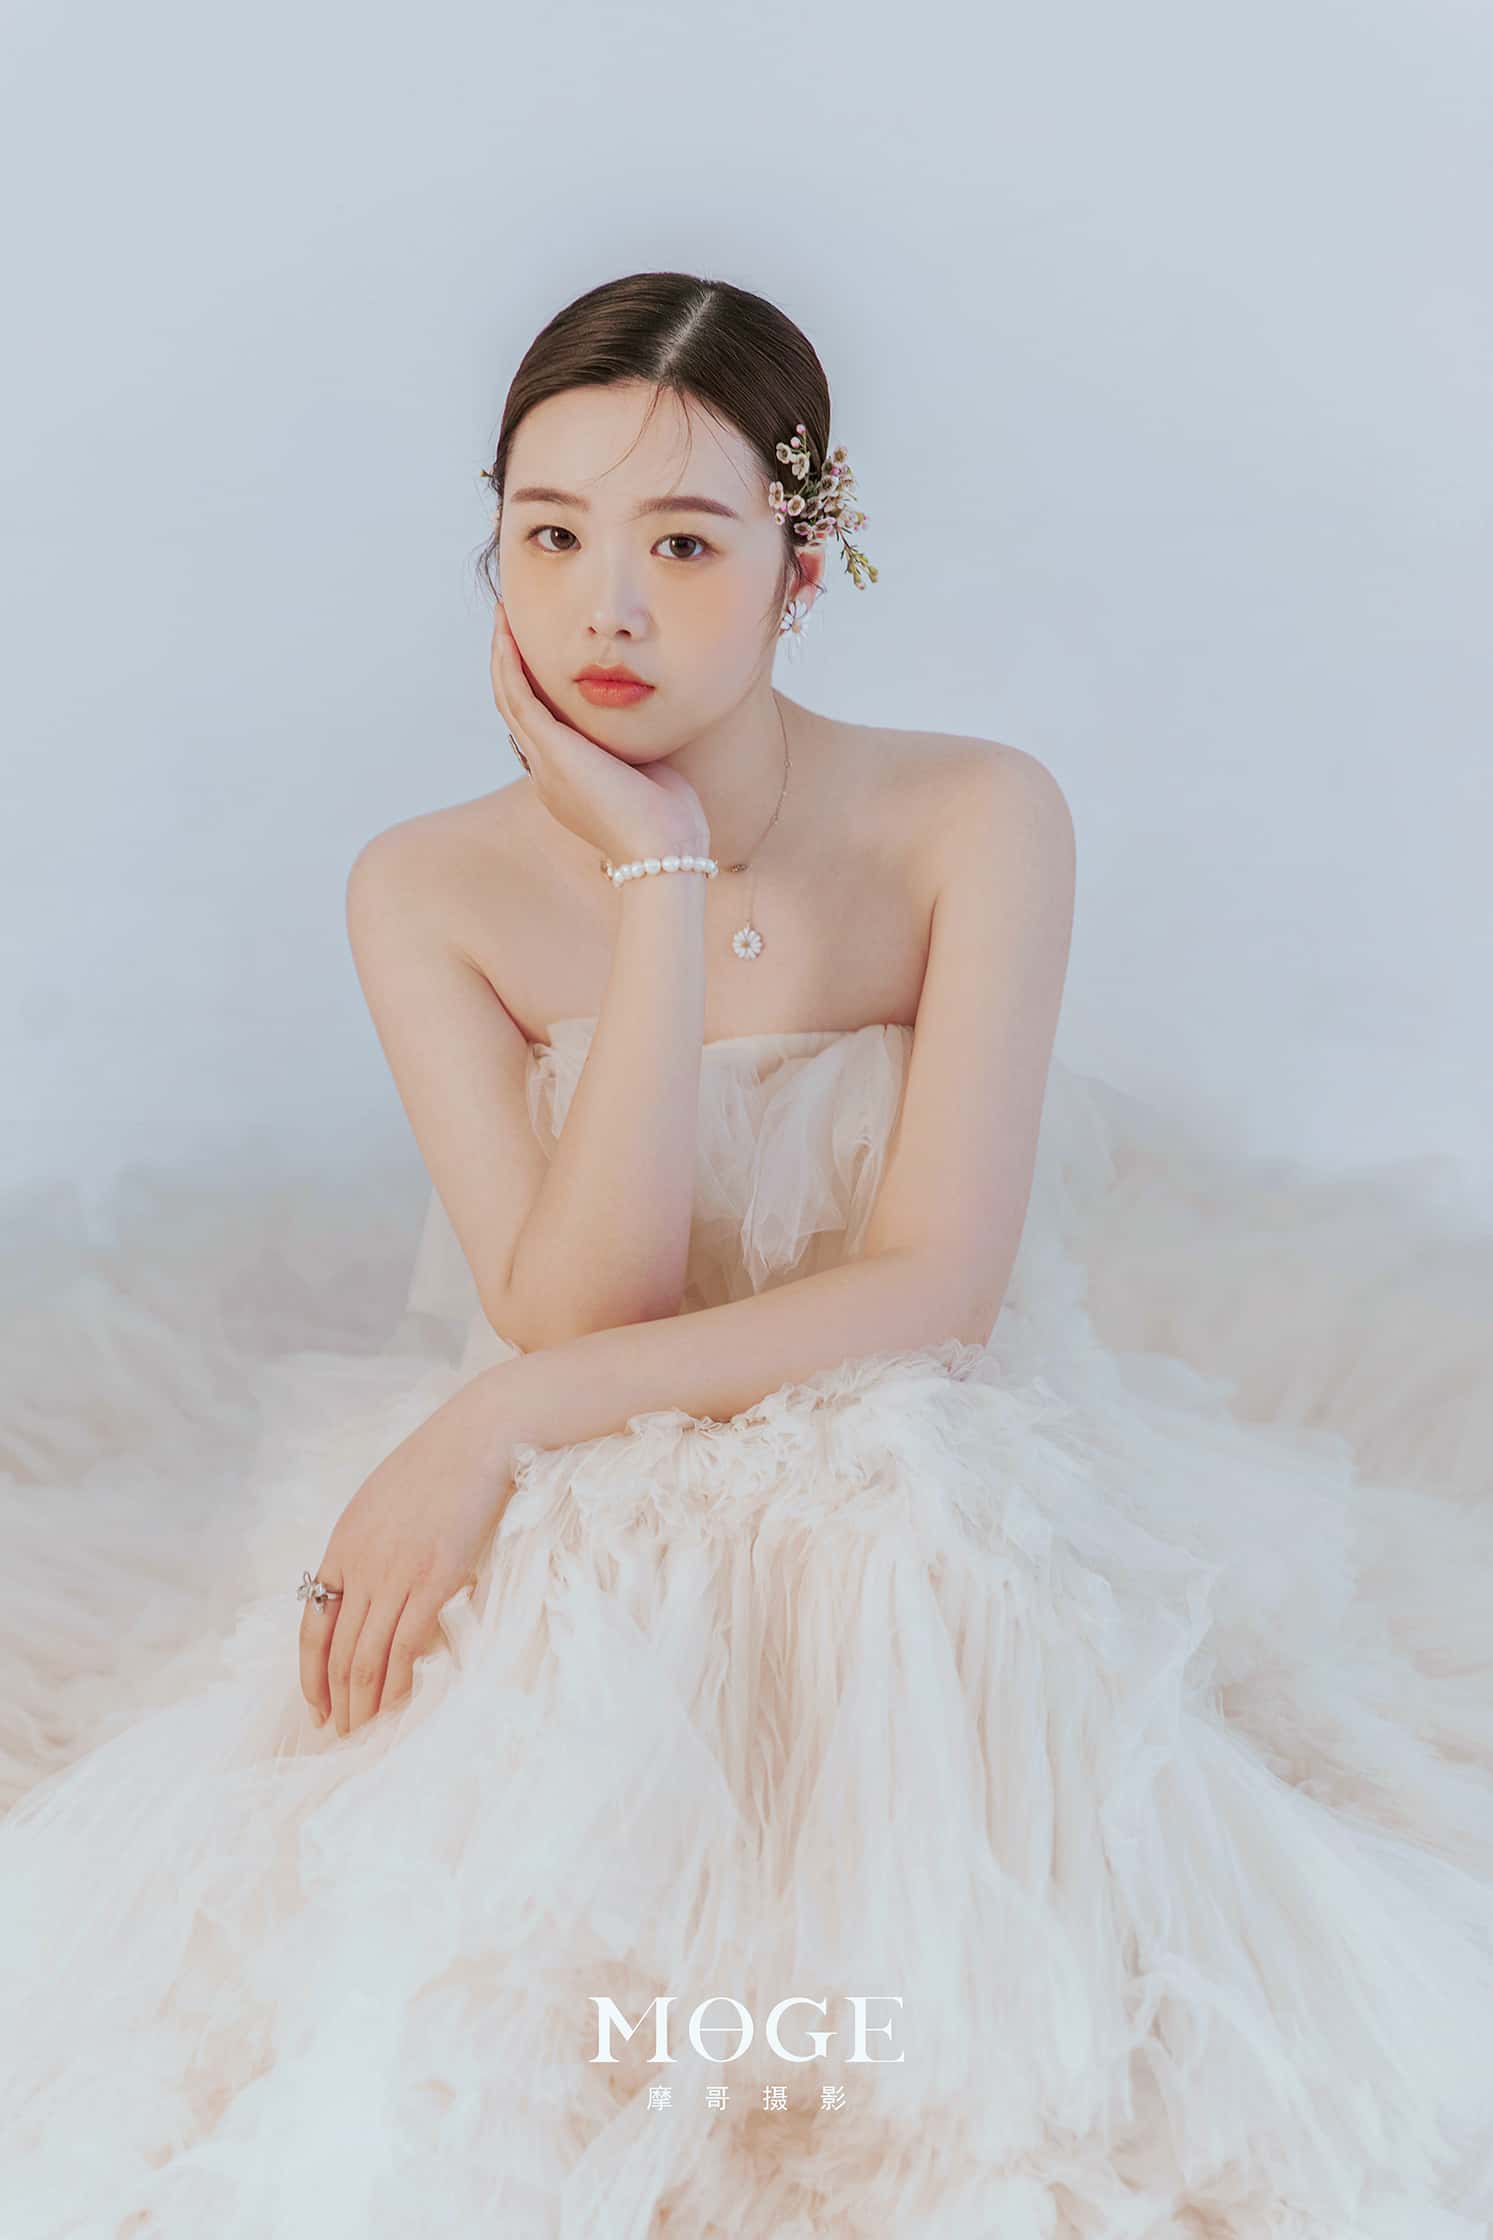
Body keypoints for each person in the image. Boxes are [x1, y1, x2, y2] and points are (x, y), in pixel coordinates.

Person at [1, 269, 1490, 2240]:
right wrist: (656, 886)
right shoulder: (427, 884)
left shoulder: (974, 817)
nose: (605, 608)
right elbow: (580, 1305)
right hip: (595, 1452)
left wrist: (489, 1418)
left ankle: (887, 2063)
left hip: (908, 1424)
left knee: (901, 1531)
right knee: (557, 1662)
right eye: (551, 537)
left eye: (685, 544)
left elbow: (931, 1293)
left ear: (802, 565)